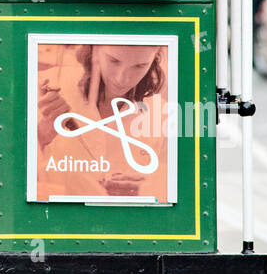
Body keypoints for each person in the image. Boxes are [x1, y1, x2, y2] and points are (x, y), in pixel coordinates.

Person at [36, 42, 168, 201]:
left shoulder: (161, 114)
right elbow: (12, 173)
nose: (123, 78)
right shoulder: (47, 85)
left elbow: (176, 189)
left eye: (139, 66)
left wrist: (148, 190)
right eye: (114, 61)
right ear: (94, 51)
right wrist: (40, 136)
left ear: (155, 59)